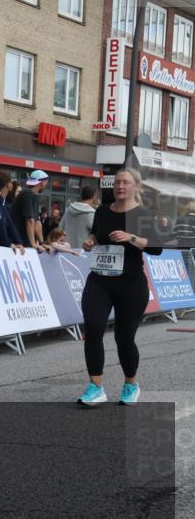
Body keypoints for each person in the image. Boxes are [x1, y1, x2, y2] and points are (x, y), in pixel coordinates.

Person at [78, 168, 163, 407]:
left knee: (124, 338)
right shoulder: (103, 211)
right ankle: (96, 387)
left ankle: (130, 384)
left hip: (130, 284)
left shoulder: (143, 214)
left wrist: (131, 238)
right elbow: (97, 235)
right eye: (116, 182)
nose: (120, 186)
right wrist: (90, 241)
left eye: (125, 182)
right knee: (93, 329)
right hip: (100, 280)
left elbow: (156, 247)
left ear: (136, 187)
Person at [12, 169, 48, 251]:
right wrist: (33, 244)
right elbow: (30, 220)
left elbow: (37, 222)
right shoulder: (28, 194)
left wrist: (42, 243)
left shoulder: (32, 195)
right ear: (42, 182)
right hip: (18, 243)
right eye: (46, 182)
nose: (46, 185)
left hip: (23, 243)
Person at [60, 184, 98, 249]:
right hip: (84, 253)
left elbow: (60, 228)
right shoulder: (91, 213)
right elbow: (98, 234)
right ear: (94, 197)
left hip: (67, 251)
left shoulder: (69, 210)